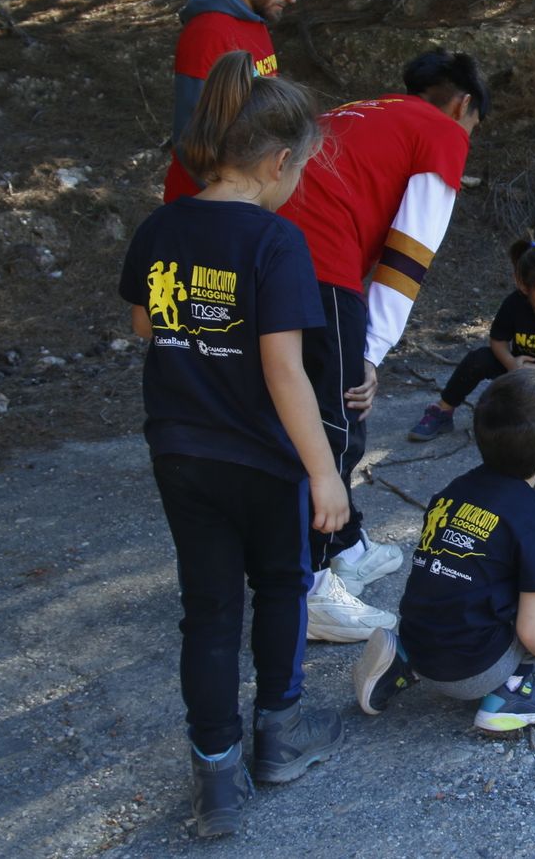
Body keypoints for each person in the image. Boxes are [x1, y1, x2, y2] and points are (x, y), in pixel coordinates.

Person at [117, 52, 344, 838]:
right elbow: (286, 373)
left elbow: (147, 325)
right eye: (303, 170)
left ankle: (214, 779)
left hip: (181, 453)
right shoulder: (274, 243)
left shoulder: (163, 224)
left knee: (208, 612)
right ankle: (277, 740)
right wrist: (326, 475)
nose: (300, 185)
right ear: (279, 161)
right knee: (281, 588)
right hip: (263, 458)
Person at [277, 51, 489, 644]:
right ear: (463, 105)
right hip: (320, 262)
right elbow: (409, 253)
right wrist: (371, 350)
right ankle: (314, 588)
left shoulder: (359, 113)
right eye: (472, 124)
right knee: (338, 419)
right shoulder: (441, 132)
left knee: (299, 409)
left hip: (265, 248)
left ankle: (346, 545)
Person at [353, 368, 535, 733]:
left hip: (419, 638)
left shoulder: (452, 492)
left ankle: (403, 660)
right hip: (472, 671)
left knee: (471, 573)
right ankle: (512, 691)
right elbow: (532, 628)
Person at [166, 0, 320, 202]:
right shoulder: (209, 31)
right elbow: (192, 140)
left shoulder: (254, 23)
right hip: (210, 213)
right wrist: (234, 208)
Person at [408, 240, 535, 440]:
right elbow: (497, 341)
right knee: (478, 359)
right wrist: (512, 366)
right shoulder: (513, 304)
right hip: (519, 368)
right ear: (525, 288)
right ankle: (443, 410)